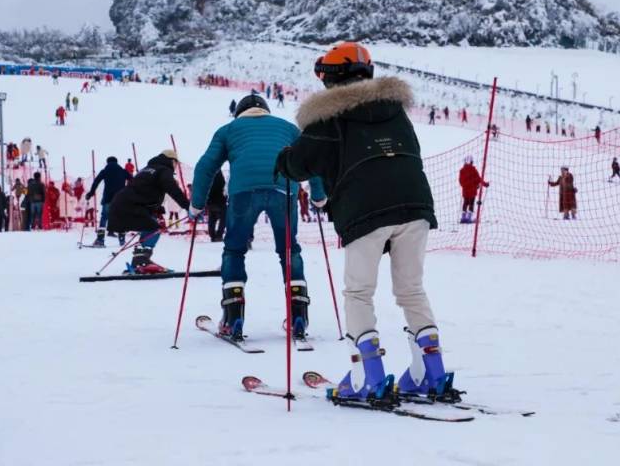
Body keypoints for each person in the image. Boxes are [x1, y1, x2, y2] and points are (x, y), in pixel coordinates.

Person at [276, 42, 448, 402]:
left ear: (330, 77)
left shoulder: (328, 116)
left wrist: (285, 159)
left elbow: (299, 164)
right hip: (415, 204)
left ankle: (366, 375)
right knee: (411, 289)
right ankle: (430, 372)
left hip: (364, 208)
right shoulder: (395, 111)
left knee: (358, 292)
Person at [189, 94, 325, 341]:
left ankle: (233, 316)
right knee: (288, 250)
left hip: (244, 191)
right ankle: (298, 315)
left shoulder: (228, 130)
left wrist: (197, 205)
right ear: (266, 110)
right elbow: (311, 161)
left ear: (238, 112)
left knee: (234, 250)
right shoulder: (288, 128)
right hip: (285, 190)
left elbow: (206, 166)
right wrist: (318, 196)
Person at [108, 150, 191, 274]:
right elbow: (173, 189)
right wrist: (188, 207)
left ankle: (140, 259)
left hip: (119, 205)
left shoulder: (147, 169)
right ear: (171, 161)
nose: (176, 166)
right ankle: (141, 260)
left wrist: (156, 208)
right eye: (176, 163)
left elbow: (142, 190)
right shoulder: (164, 170)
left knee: (150, 225)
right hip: (129, 207)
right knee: (154, 228)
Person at [86, 156, 133, 246]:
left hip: (108, 198)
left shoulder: (105, 171)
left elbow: (96, 182)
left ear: (107, 162)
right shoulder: (123, 171)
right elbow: (133, 180)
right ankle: (122, 240)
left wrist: (91, 193)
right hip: (121, 199)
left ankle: (100, 240)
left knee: (104, 218)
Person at [458, 155, 489, 223]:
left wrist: (465, 186)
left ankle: (463, 218)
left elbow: (460, 181)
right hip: (472, 191)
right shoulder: (473, 170)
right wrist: (485, 184)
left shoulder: (462, 171)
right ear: (471, 162)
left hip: (465, 191)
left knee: (465, 203)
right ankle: (469, 218)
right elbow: (478, 179)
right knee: (471, 203)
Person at [205, 170, 227, 242]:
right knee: (223, 219)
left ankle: (212, 236)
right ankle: (219, 235)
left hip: (210, 202)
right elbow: (224, 188)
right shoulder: (220, 177)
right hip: (220, 202)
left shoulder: (209, 177)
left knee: (212, 219)